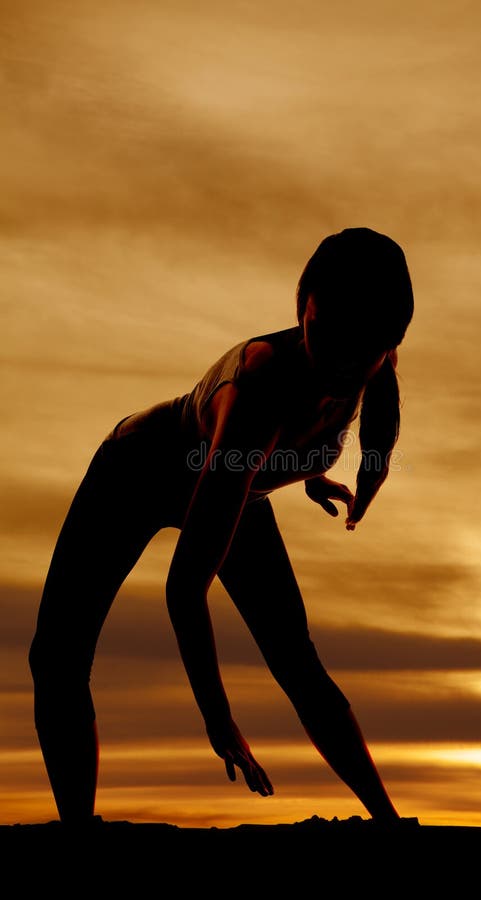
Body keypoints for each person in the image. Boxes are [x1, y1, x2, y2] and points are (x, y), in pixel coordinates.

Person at [29, 227, 414, 826]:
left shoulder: (374, 364)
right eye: (324, 333)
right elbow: (184, 590)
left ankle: (388, 822)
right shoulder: (259, 392)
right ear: (300, 309)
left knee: (295, 658)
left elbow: (372, 432)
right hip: (139, 469)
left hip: (237, 482)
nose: (339, 362)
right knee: (57, 656)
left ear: (389, 346)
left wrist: (329, 480)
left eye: (359, 350)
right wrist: (217, 716)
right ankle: (78, 828)